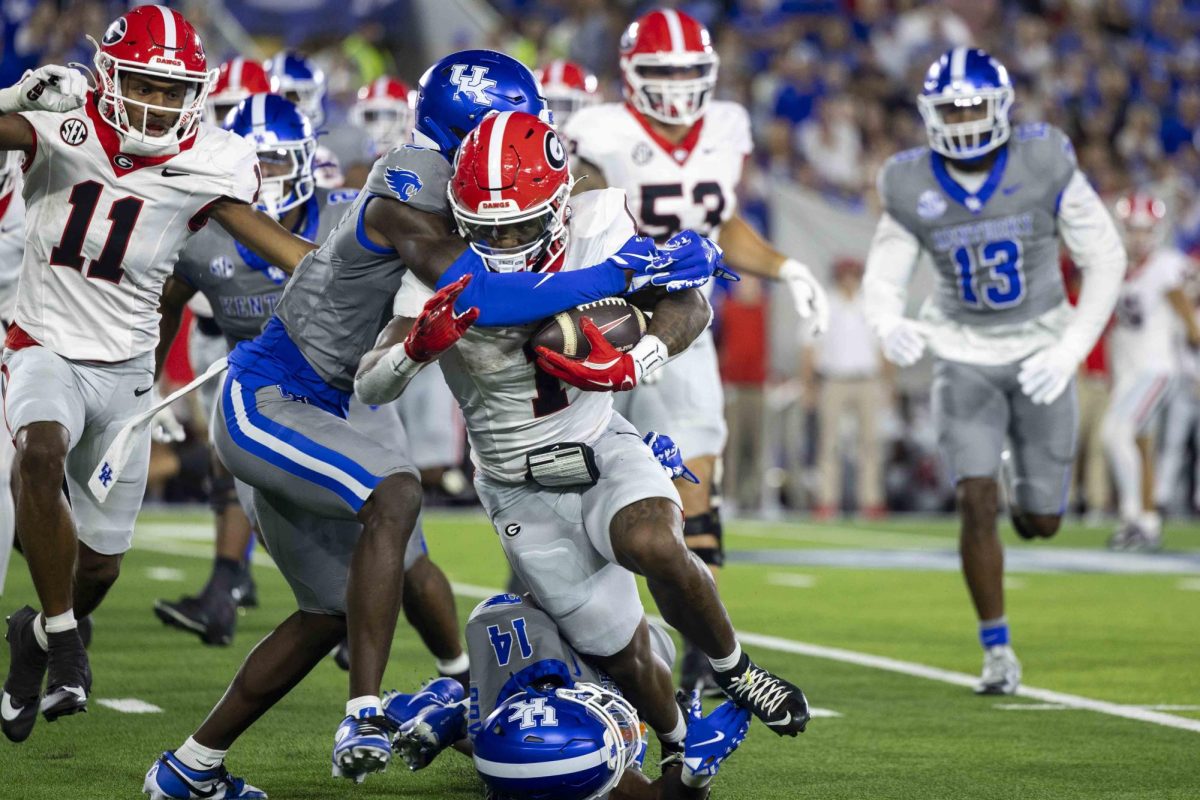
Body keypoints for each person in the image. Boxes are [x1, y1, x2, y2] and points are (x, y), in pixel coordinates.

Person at [143, 49, 720, 796]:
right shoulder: (413, 188)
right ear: (464, 133)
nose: (527, 137)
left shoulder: (474, 183)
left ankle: (189, 769)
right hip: (278, 395)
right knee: (397, 493)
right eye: (508, 123)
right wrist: (625, 272)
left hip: (337, 399)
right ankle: (365, 711)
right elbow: (484, 294)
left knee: (326, 611)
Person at [362, 112, 810, 758]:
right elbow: (370, 381)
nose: (507, 241)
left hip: (598, 439)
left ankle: (736, 671)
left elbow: (688, 302)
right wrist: (413, 346)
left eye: (520, 223)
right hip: (518, 486)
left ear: (558, 204)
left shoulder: (599, 222)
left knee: (655, 540)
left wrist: (637, 360)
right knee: (624, 656)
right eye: (489, 228)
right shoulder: (433, 273)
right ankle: (683, 748)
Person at [0, 4, 317, 744]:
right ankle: (68, 646)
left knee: (102, 567)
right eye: (145, 85)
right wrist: (12, 98)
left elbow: (281, 248)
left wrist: (367, 273)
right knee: (37, 455)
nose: (159, 104)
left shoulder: (209, 157)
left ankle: (37, 636)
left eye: (175, 91)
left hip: (127, 375)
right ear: (110, 77)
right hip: (41, 342)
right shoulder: (62, 120)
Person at [147, 95, 467, 691]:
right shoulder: (202, 240)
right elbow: (166, 304)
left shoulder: (350, 212)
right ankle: (269, 603)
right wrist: (147, 382)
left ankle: (458, 673)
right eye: (255, 164)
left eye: (275, 161)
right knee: (318, 567)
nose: (266, 176)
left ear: (305, 162)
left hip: (356, 390)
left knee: (409, 554)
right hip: (270, 394)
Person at [564, 8, 829, 695]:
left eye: (689, 71)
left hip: (687, 331)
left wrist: (787, 267)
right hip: (606, 323)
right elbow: (574, 215)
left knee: (693, 500)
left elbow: (720, 224)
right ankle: (572, 638)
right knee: (575, 491)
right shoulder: (601, 131)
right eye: (663, 71)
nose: (679, 86)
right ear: (632, 75)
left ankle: (700, 655)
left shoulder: (726, 128)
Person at [863, 47, 1126, 695]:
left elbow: (1107, 258)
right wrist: (887, 321)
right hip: (962, 352)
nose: (961, 118)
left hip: (1041, 350)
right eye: (950, 107)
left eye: (973, 105)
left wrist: (1069, 351)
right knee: (974, 498)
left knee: (1041, 521)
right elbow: (884, 271)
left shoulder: (1044, 159)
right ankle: (997, 649)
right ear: (929, 113)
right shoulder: (909, 180)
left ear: (1001, 107)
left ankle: (1020, 471)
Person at [384, 593, 752, 800]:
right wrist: (692, 767)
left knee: (496, 723)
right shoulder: (592, 776)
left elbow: (516, 748)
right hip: (552, 667)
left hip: (509, 623)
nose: (621, 722)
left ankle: (448, 711)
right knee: (653, 650)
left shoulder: (570, 769)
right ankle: (450, 711)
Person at [1104, 193, 1200, 551]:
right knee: (1141, 446)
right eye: (1133, 230)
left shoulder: (1165, 266)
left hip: (1155, 368)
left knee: (1115, 435)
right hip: (1129, 370)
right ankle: (1148, 521)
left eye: (1145, 231)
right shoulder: (1116, 267)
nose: (1139, 238)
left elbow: (1191, 322)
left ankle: (1132, 520)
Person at [802, 257, 888, 518]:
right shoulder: (825, 303)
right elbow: (808, 346)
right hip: (834, 379)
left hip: (867, 379)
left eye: (853, 275)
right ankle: (827, 499)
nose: (849, 280)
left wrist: (889, 383)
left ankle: (871, 500)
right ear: (837, 278)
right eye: (844, 275)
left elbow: (884, 347)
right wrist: (808, 386)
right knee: (829, 442)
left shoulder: (871, 305)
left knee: (871, 443)